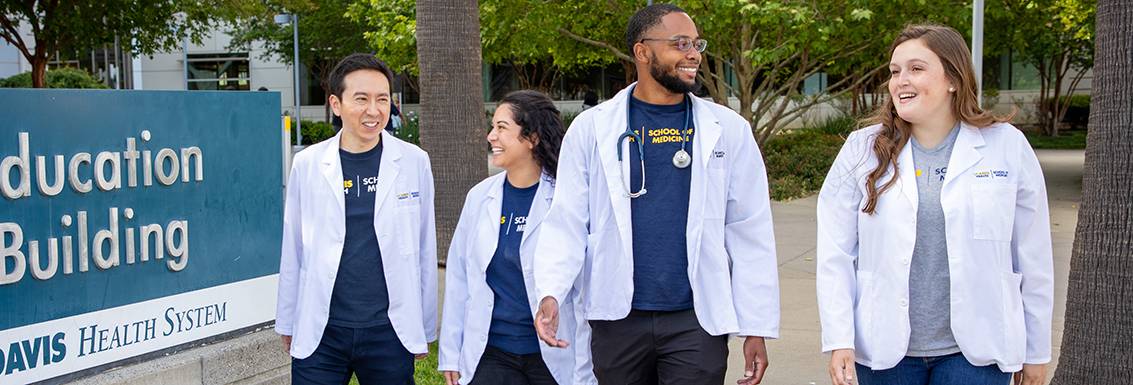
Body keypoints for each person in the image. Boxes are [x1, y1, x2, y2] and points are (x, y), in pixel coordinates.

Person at [532, 4, 780, 385]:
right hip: (617, 316)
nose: (694, 53)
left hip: (696, 319)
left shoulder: (727, 129)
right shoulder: (591, 128)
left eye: (696, 43)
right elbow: (566, 219)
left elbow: (750, 230)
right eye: (680, 44)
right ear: (642, 52)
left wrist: (756, 325)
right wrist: (550, 292)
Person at [816, 24, 1052, 385]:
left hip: (976, 353)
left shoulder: (1006, 146)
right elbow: (835, 253)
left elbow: (1033, 256)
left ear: (953, 79)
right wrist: (839, 339)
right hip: (885, 352)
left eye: (916, 68)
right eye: (895, 72)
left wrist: (1036, 352)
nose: (900, 81)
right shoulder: (862, 149)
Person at [275, 53, 438, 385]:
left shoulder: (413, 161)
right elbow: (293, 248)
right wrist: (288, 321)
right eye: (361, 99)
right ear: (336, 104)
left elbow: (424, 246)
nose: (374, 110)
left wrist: (423, 323)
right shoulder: (307, 164)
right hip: (323, 330)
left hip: (389, 331)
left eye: (382, 99)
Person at [439, 90, 594, 385]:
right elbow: (460, 278)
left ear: (532, 138)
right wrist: (450, 351)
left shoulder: (568, 197)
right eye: (492, 127)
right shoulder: (480, 197)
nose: (491, 136)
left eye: (501, 127)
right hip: (493, 352)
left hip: (555, 352)